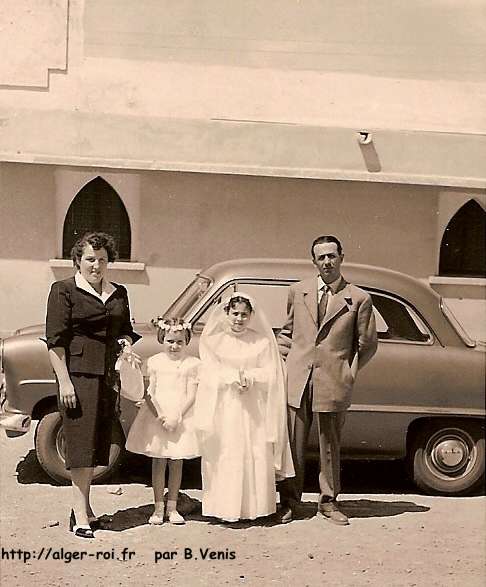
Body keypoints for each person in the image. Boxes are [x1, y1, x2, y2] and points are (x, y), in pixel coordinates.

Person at [46, 232, 141, 539]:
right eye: (90, 259)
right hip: (78, 377)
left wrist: (126, 346)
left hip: (107, 378)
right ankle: (78, 514)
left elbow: (125, 330)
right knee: (80, 446)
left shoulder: (118, 292)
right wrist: (64, 383)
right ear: (78, 260)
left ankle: (84, 509)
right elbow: (55, 343)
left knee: (98, 446)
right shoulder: (63, 290)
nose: (96, 266)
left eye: (102, 260)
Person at [277, 235, 377, 525]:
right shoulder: (298, 292)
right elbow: (287, 333)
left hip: (333, 381)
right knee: (293, 444)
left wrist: (348, 372)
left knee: (329, 445)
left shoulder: (359, 299)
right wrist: (285, 367)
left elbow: (367, 343)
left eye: (332, 256)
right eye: (321, 257)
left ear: (341, 257)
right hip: (297, 379)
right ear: (313, 261)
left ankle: (328, 502)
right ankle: (290, 502)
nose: (327, 262)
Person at [195, 293, 294, 523]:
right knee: (226, 451)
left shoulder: (260, 342)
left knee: (253, 451)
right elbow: (208, 371)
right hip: (225, 406)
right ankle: (224, 508)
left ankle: (255, 508)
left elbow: (271, 373)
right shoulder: (213, 340)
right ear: (227, 313)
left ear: (251, 316)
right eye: (235, 313)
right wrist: (229, 378)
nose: (239, 319)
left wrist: (251, 378)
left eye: (244, 315)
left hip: (253, 407)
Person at [126, 318, 200, 525]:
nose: (174, 346)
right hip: (158, 416)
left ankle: (173, 507)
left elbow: (191, 395)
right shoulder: (155, 362)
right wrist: (161, 416)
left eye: (179, 342)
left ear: (186, 342)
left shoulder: (193, 364)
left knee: (177, 462)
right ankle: (158, 508)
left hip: (181, 417)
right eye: (170, 341)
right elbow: (149, 392)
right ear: (162, 339)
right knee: (158, 461)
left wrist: (177, 416)